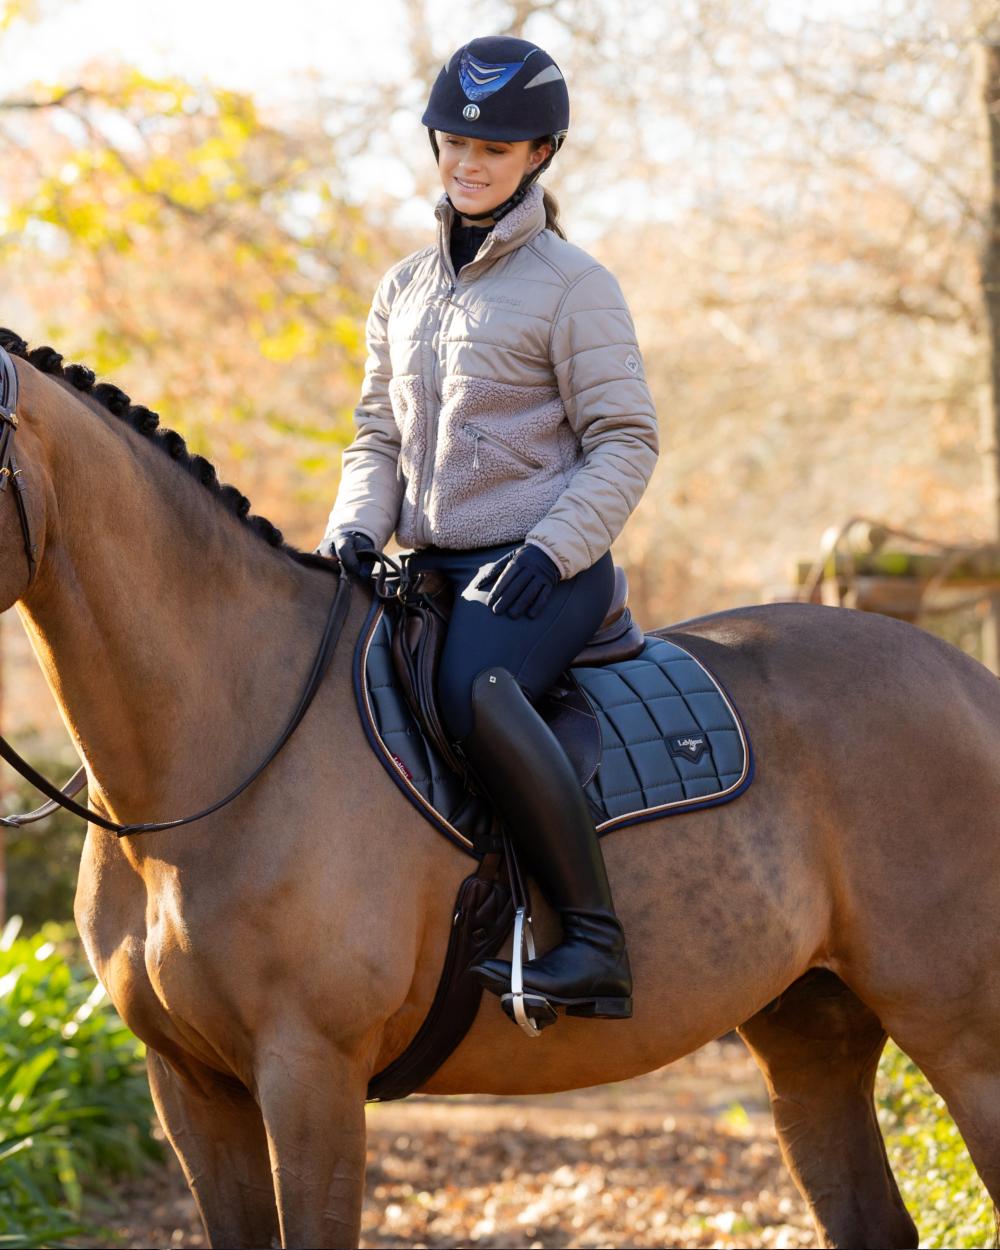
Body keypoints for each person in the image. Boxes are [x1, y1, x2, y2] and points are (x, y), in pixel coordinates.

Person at [318, 35, 659, 1021]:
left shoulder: (574, 286)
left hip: (548, 567)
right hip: (431, 563)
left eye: (495, 150)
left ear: (539, 156)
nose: (468, 163)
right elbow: (376, 434)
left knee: (472, 687)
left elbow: (625, 443)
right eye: (454, 143)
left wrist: (548, 548)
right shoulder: (403, 290)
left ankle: (593, 940)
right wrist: (353, 529)